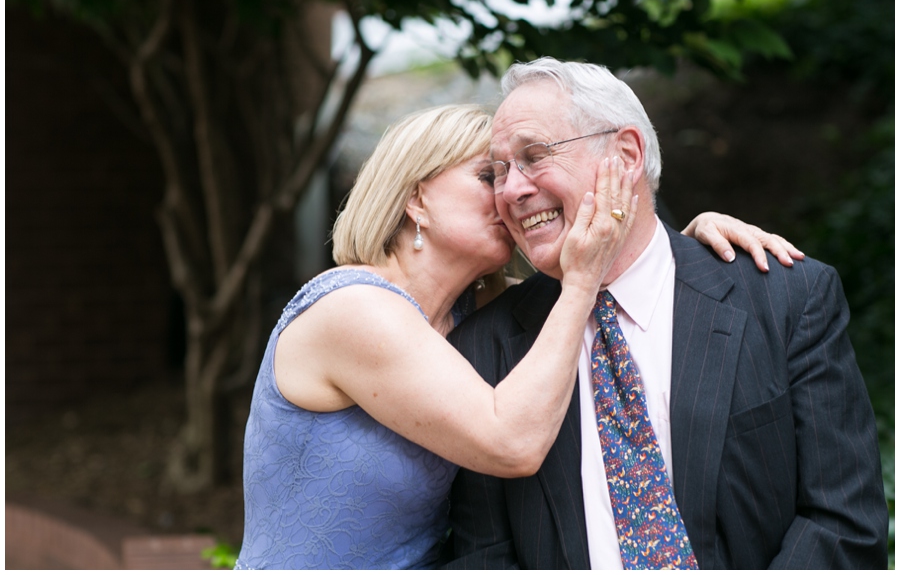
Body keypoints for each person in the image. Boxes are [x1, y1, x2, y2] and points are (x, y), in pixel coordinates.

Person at [235, 104, 803, 570]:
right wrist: (580, 279)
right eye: (489, 176)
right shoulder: (353, 308)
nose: (510, 193)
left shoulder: (473, 312)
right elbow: (512, 442)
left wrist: (693, 247)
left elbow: (634, 271)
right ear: (415, 200)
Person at [442, 58, 888, 570]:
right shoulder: (484, 348)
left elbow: (844, 522)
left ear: (626, 154)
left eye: (535, 156)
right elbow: (483, 556)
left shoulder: (785, 298)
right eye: (499, 171)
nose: (512, 191)